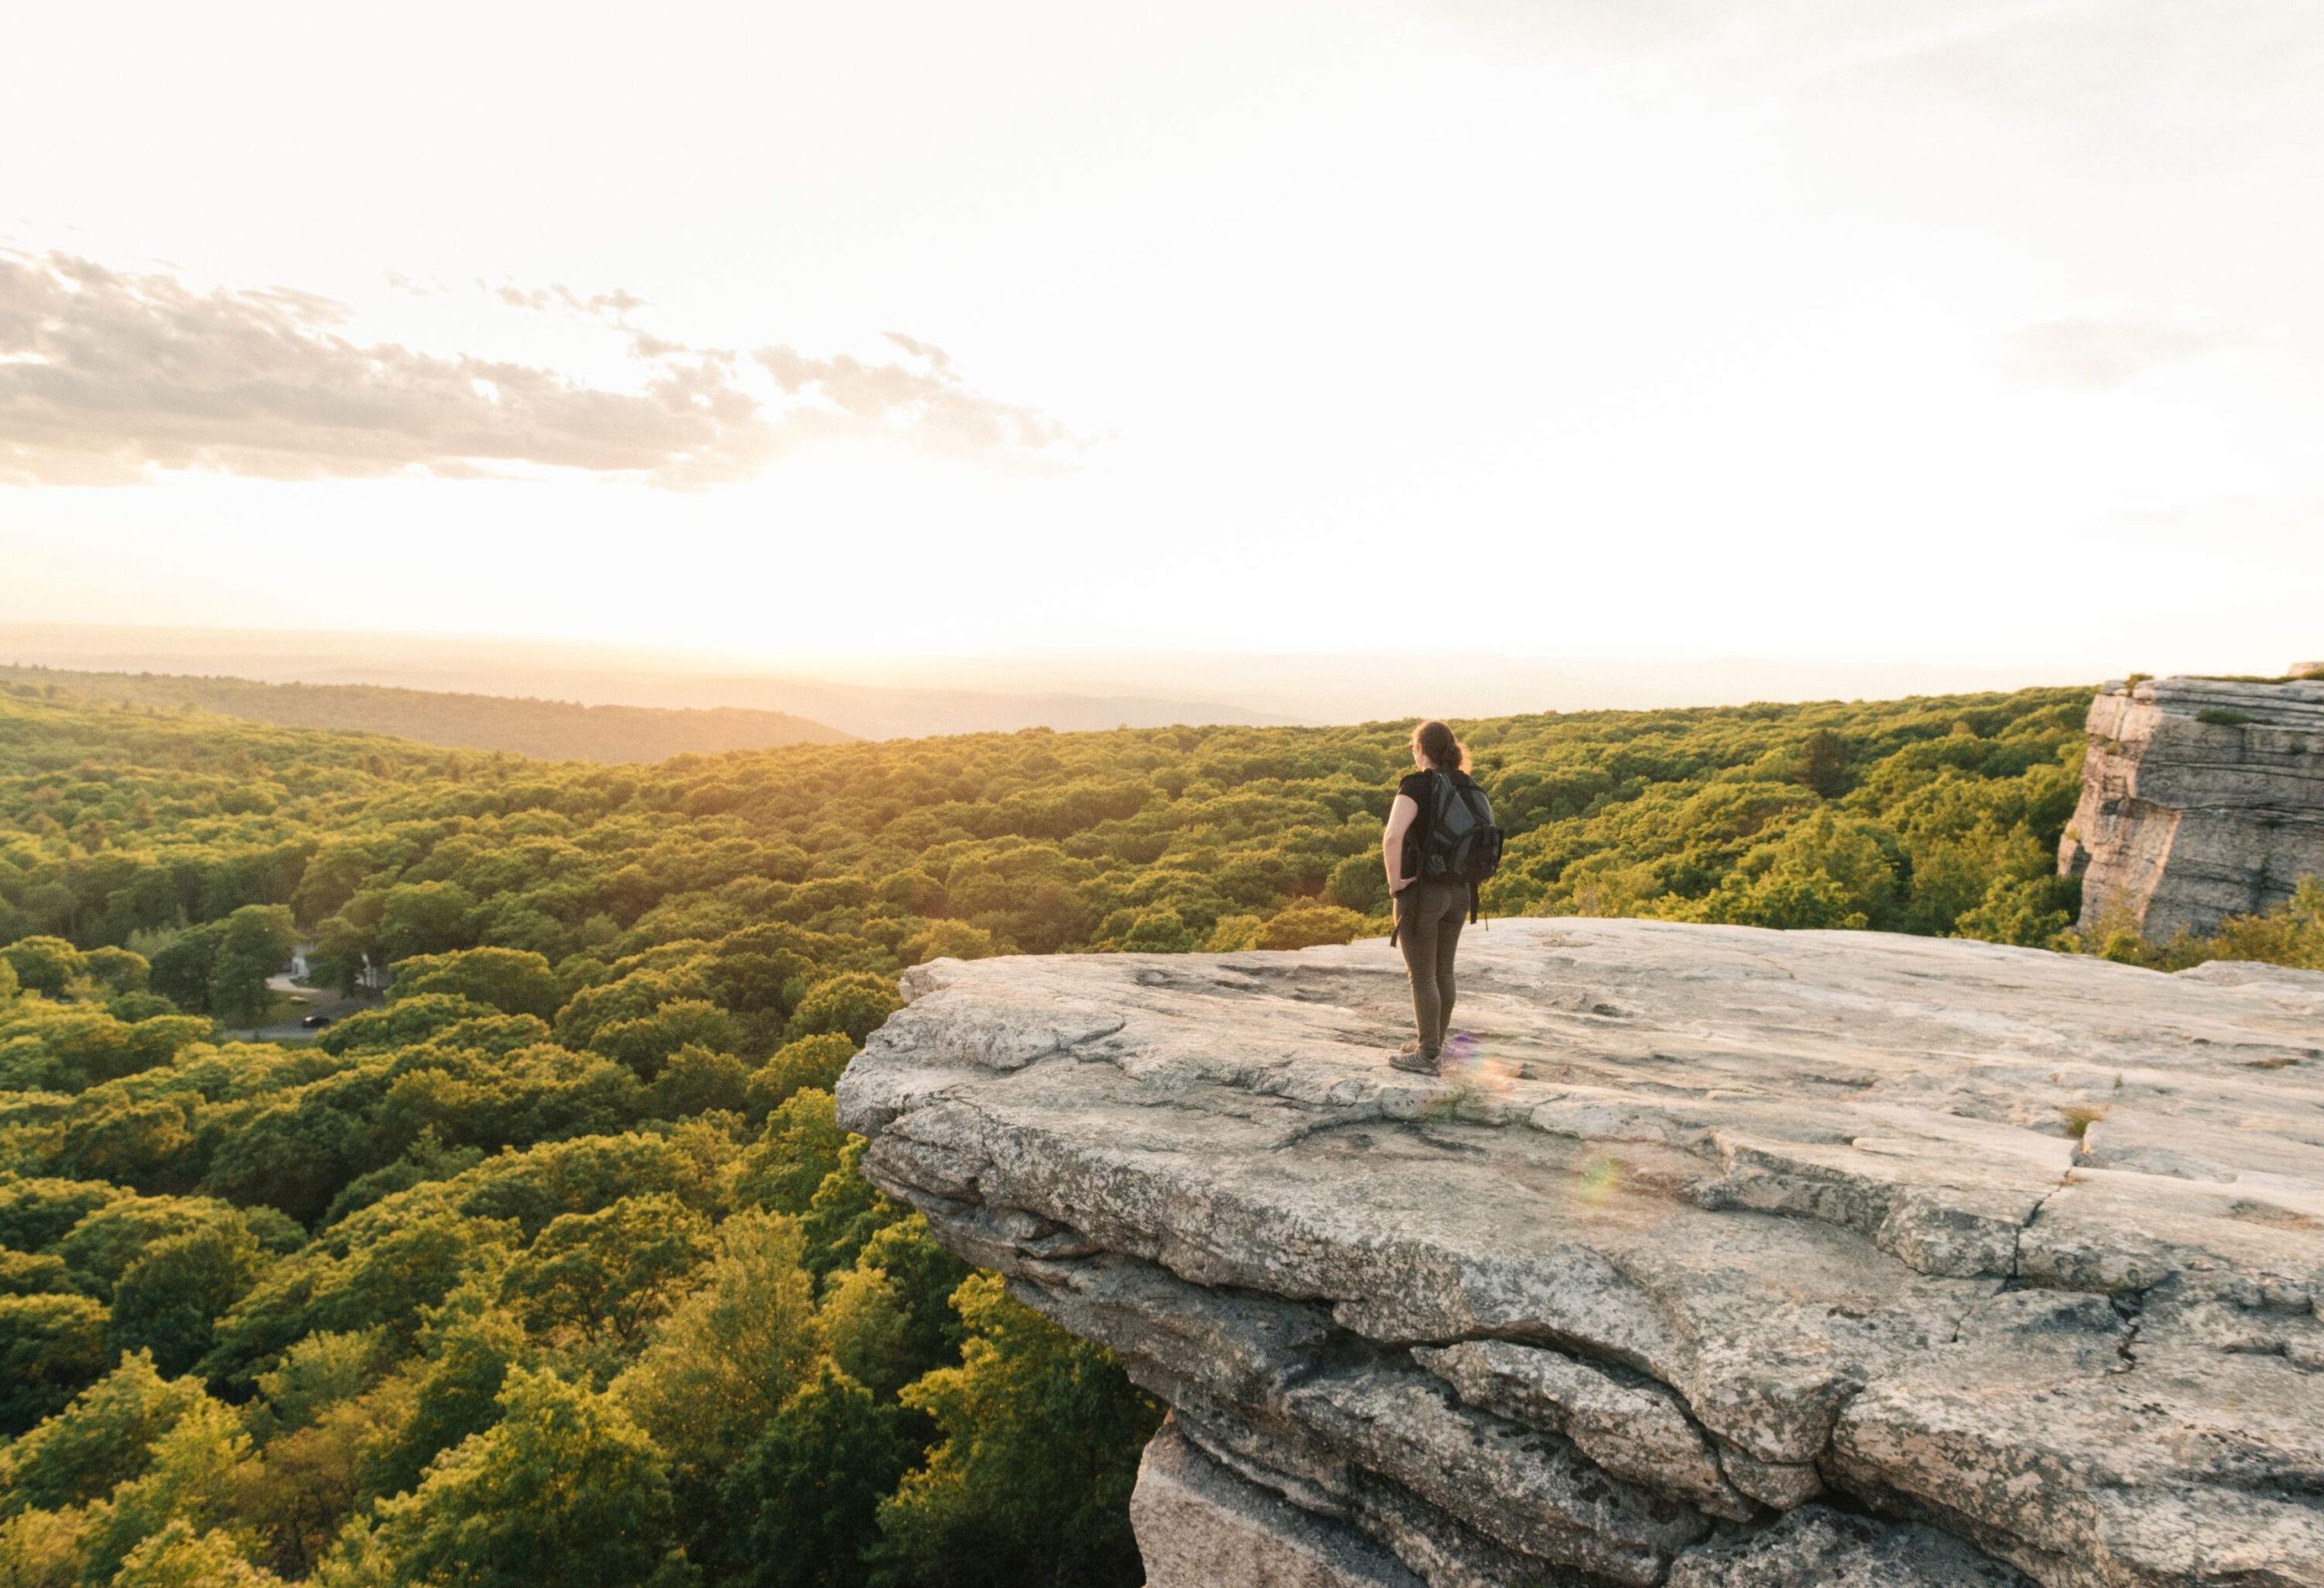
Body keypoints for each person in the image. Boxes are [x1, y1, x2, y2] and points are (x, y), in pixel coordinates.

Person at [1382, 720, 1486, 1074]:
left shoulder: (1416, 785)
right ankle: (1435, 1043)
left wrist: (1395, 882)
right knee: (1444, 971)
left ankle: (1427, 1055)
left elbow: (1393, 837)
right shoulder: (1467, 784)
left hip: (1423, 892)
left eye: (1413, 746)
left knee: (1422, 975)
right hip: (1459, 893)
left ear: (1419, 748)